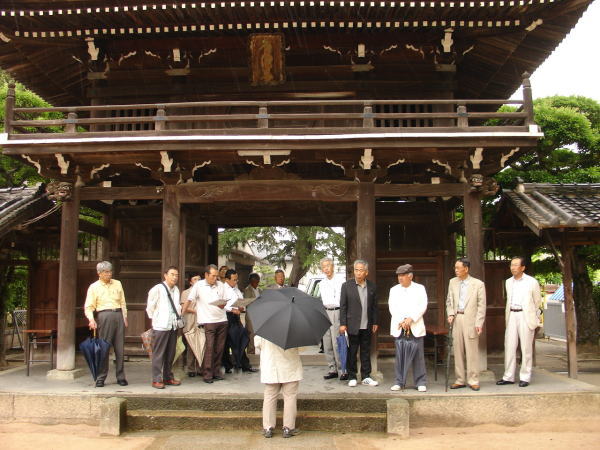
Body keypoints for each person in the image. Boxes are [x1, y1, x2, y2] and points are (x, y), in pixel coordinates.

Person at [497, 257, 542, 388]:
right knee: (509, 345)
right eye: (511, 265)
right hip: (511, 314)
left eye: (516, 265)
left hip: (525, 315)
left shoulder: (532, 282)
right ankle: (508, 376)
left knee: (526, 347)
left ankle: (525, 376)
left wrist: (534, 317)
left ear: (523, 267)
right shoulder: (508, 282)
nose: (513, 267)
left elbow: (537, 301)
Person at [84, 261, 128, 388]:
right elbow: (89, 306)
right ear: (99, 273)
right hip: (104, 315)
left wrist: (125, 316)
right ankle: (101, 377)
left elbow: (123, 301)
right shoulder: (94, 287)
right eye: (106, 272)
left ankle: (121, 376)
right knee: (104, 347)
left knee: (120, 348)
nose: (109, 274)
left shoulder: (117, 283)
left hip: (118, 314)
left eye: (110, 271)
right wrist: (91, 319)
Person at [446, 258, 486, 391]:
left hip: (471, 319)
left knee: (471, 351)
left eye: (458, 268)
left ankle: (473, 379)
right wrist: (450, 313)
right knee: (457, 350)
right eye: (455, 268)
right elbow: (449, 301)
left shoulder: (478, 284)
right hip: (457, 318)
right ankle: (459, 379)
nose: (456, 270)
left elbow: (481, 305)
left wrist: (479, 322)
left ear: (466, 269)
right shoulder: (452, 282)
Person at [339, 259, 379, 387]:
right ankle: (352, 376)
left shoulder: (372, 286)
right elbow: (343, 306)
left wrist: (375, 321)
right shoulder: (346, 286)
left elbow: (375, 307)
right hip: (352, 324)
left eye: (361, 270)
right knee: (352, 351)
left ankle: (366, 376)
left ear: (366, 272)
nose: (358, 273)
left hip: (367, 324)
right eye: (356, 270)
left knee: (366, 351)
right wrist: (343, 323)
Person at [388, 264, 428, 392]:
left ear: (410, 276)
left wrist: (411, 319)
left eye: (402, 275)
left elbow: (423, 305)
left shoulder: (420, 288)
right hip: (400, 325)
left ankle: (420, 381)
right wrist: (402, 320)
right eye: (399, 276)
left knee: (418, 354)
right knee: (400, 355)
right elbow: (392, 307)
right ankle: (399, 381)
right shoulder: (394, 290)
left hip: (415, 324)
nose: (400, 278)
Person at [256, 335, 302, 439]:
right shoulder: (295, 328)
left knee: (269, 397)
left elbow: (257, 344)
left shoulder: (265, 327)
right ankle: (288, 428)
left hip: (271, 365)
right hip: (290, 367)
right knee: (290, 397)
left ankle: (268, 427)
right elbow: (302, 347)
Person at [188, 264, 228, 384]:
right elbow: (189, 300)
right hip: (208, 320)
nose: (215, 278)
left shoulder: (220, 285)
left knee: (219, 348)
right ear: (206, 275)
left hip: (222, 319)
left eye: (216, 276)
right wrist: (182, 312)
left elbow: (224, 301)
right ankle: (207, 373)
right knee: (209, 347)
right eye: (213, 276)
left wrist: (223, 304)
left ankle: (216, 371)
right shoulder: (199, 285)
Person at [146, 266, 183, 389]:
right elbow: (150, 307)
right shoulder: (157, 289)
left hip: (172, 325)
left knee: (171, 353)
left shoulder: (176, 290)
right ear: (165, 275)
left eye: (176, 275)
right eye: (172, 274)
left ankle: (168, 377)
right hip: (161, 326)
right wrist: (156, 319)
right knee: (159, 354)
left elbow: (177, 306)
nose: (174, 277)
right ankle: (156, 379)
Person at [223, 269, 257, 373]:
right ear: (227, 280)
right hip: (227, 317)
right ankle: (228, 365)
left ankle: (243, 364)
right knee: (227, 343)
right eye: (234, 280)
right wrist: (232, 309)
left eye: (237, 280)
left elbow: (241, 300)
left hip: (236, 317)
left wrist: (242, 307)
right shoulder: (222, 289)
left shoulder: (236, 289)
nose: (236, 282)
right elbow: (220, 304)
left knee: (242, 338)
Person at [319, 257, 348, 381]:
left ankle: (343, 370)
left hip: (337, 311)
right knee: (327, 342)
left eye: (328, 266)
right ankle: (332, 369)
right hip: (325, 311)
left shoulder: (340, 281)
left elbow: (344, 301)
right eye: (324, 267)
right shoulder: (321, 283)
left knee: (337, 342)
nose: (326, 269)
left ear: (333, 267)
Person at [181, 272, 201, 377]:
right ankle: (190, 368)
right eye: (195, 279)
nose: (197, 281)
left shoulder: (203, 292)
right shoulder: (186, 293)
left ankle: (199, 367)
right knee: (190, 346)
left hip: (201, 321)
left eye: (199, 279)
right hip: (190, 321)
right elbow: (184, 307)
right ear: (190, 282)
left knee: (201, 345)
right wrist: (195, 310)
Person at [243, 272, 261, 354]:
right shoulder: (247, 290)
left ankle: (258, 351)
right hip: (251, 316)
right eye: (254, 281)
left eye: (257, 281)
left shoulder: (260, 290)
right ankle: (251, 353)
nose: (256, 283)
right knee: (251, 335)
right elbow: (247, 303)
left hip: (259, 315)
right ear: (250, 281)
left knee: (259, 335)